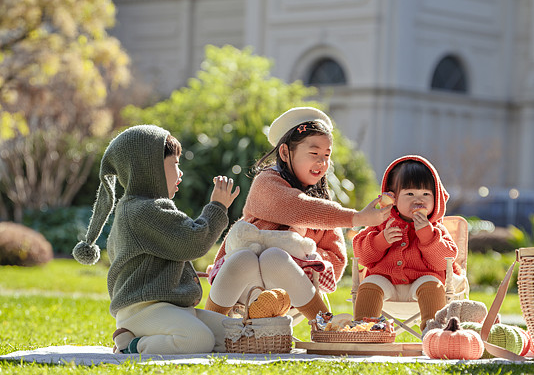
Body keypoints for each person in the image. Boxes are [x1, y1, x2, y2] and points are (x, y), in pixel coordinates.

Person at [204, 107, 391, 320]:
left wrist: (305, 256)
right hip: (246, 284)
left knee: (274, 257)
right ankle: (210, 324)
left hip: (290, 287)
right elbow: (297, 207)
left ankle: (324, 325)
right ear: (285, 153)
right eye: (314, 154)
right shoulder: (266, 183)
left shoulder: (322, 205)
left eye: (327, 155)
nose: (322, 163)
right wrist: (357, 218)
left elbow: (337, 260)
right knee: (245, 257)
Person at [72, 124, 239, 354]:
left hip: (169, 308)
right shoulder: (142, 211)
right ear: (149, 167)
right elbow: (193, 241)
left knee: (234, 334)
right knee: (198, 340)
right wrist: (217, 207)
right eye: (175, 163)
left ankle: (142, 336)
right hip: (142, 309)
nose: (180, 172)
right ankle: (131, 345)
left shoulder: (141, 207)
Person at [352, 155, 459, 330]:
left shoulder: (435, 229)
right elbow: (362, 256)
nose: (418, 200)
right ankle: (364, 330)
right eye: (410, 194)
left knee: (433, 285)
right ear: (393, 198)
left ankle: (433, 331)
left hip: (422, 281)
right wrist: (381, 240)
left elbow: (445, 261)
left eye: (426, 194)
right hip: (385, 280)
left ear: (436, 198)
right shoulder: (382, 223)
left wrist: (428, 236)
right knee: (369, 285)